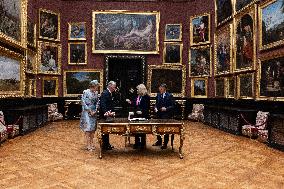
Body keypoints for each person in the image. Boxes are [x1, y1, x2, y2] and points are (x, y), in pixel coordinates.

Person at [126, 84, 150, 149]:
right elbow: (135, 104)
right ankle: (136, 143)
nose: (136, 90)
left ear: (141, 90)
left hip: (144, 116)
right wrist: (130, 102)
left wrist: (142, 111)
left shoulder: (146, 97)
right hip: (136, 115)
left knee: (142, 130)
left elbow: (147, 107)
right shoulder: (137, 96)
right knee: (136, 129)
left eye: (137, 89)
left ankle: (142, 144)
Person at [152, 83, 175, 149]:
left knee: (165, 129)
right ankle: (159, 141)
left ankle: (165, 143)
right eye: (159, 88)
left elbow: (173, 106)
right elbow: (156, 104)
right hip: (158, 114)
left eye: (161, 88)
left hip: (166, 115)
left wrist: (166, 109)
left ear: (164, 88)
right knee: (157, 128)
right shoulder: (158, 95)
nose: (160, 89)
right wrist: (155, 108)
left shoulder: (170, 95)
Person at [80, 80, 100, 151]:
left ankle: (92, 143)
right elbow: (83, 102)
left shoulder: (96, 93)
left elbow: (97, 102)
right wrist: (89, 110)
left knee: (93, 129)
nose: (98, 88)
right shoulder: (86, 92)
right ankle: (88, 145)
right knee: (88, 129)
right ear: (93, 86)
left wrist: (95, 110)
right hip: (87, 113)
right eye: (97, 86)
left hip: (94, 112)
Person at [99, 81, 117, 150]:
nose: (115, 88)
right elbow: (103, 105)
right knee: (104, 130)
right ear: (110, 86)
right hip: (105, 115)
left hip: (108, 114)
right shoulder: (105, 93)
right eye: (114, 86)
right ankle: (104, 145)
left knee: (107, 130)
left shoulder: (109, 93)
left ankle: (107, 144)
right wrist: (106, 113)